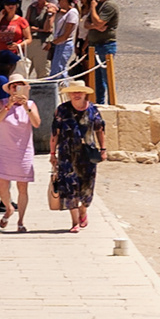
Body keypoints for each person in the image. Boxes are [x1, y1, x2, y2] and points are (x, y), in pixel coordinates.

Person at [47, 79, 103, 230]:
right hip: (67, 154)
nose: (76, 94)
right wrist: (52, 154)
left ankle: (83, 209)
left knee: (87, 187)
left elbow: (99, 129)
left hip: (88, 154)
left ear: (85, 94)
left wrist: (103, 149)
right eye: (73, 92)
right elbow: (55, 133)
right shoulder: (62, 110)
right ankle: (75, 222)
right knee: (69, 188)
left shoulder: (93, 109)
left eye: (79, 92)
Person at [0, 77, 39, 231]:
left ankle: (21, 221)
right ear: (9, 89)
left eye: (19, 86)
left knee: (22, 187)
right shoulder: (1, 103)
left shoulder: (30, 105)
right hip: (5, 151)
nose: (16, 89)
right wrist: (8, 105)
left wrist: (26, 107)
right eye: (13, 86)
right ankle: (8, 208)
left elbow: (36, 123)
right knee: (2, 186)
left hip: (23, 151)